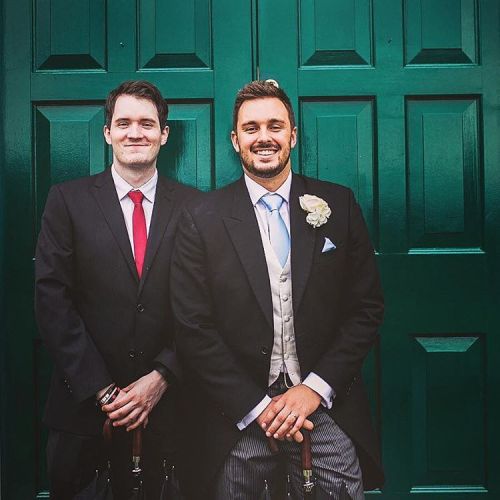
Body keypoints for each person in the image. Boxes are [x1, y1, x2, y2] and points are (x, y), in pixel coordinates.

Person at [171, 80, 384, 499]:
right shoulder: (202, 217)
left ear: (293, 135)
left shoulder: (337, 205)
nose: (264, 137)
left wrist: (314, 389)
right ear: (235, 140)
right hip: (238, 408)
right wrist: (257, 407)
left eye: (275, 125)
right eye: (251, 128)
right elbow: (193, 326)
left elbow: (366, 308)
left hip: (323, 404)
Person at [35, 80, 197, 499]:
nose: (135, 133)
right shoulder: (66, 201)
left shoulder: (197, 207)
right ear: (107, 132)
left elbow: (207, 305)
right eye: (123, 123)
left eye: (147, 123)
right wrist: (103, 390)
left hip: (174, 414)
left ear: (165, 134)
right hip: (83, 417)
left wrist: (161, 378)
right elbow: (52, 299)